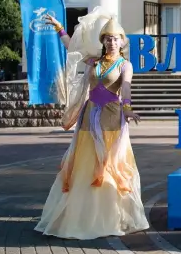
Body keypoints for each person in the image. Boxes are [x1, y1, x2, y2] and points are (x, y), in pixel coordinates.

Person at [34, 12, 148, 240]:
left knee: (110, 165)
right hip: (89, 117)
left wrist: (127, 108)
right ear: (103, 40)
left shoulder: (125, 65)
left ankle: (111, 217)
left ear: (122, 41)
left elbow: (125, 87)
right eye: (108, 38)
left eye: (116, 38)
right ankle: (81, 216)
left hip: (112, 118)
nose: (112, 42)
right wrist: (59, 28)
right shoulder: (93, 61)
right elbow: (72, 48)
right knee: (85, 163)